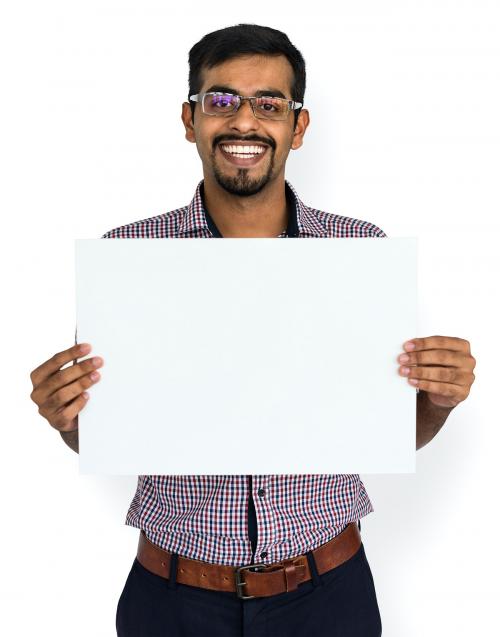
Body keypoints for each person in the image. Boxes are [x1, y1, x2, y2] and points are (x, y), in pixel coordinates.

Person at [29, 24, 476, 637]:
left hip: (328, 594)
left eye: (269, 104)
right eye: (221, 101)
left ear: (298, 126)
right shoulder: (128, 259)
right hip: (173, 597)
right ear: (190, 120)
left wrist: (440, 401)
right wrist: (69, 419)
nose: (244, 122)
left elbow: (389, 433)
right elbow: (109, 436)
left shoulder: (358, 254)